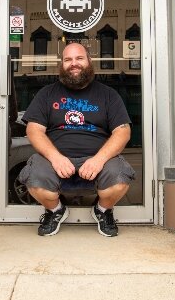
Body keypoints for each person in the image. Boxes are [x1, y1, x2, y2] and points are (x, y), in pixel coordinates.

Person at [18, 42, 135, 237]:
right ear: (61, 64)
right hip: (55, 160)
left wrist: (98, 160)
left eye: (79, 58)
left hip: (98, 160)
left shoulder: (108, 95)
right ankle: (55, 211)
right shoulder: (47, 94)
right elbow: (34, 130)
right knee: (33, 178)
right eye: (68, 59)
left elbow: (122, 132)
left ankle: (103, 210)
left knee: (120, 178)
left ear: (89, 61)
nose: (74, 63)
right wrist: (56, 158)